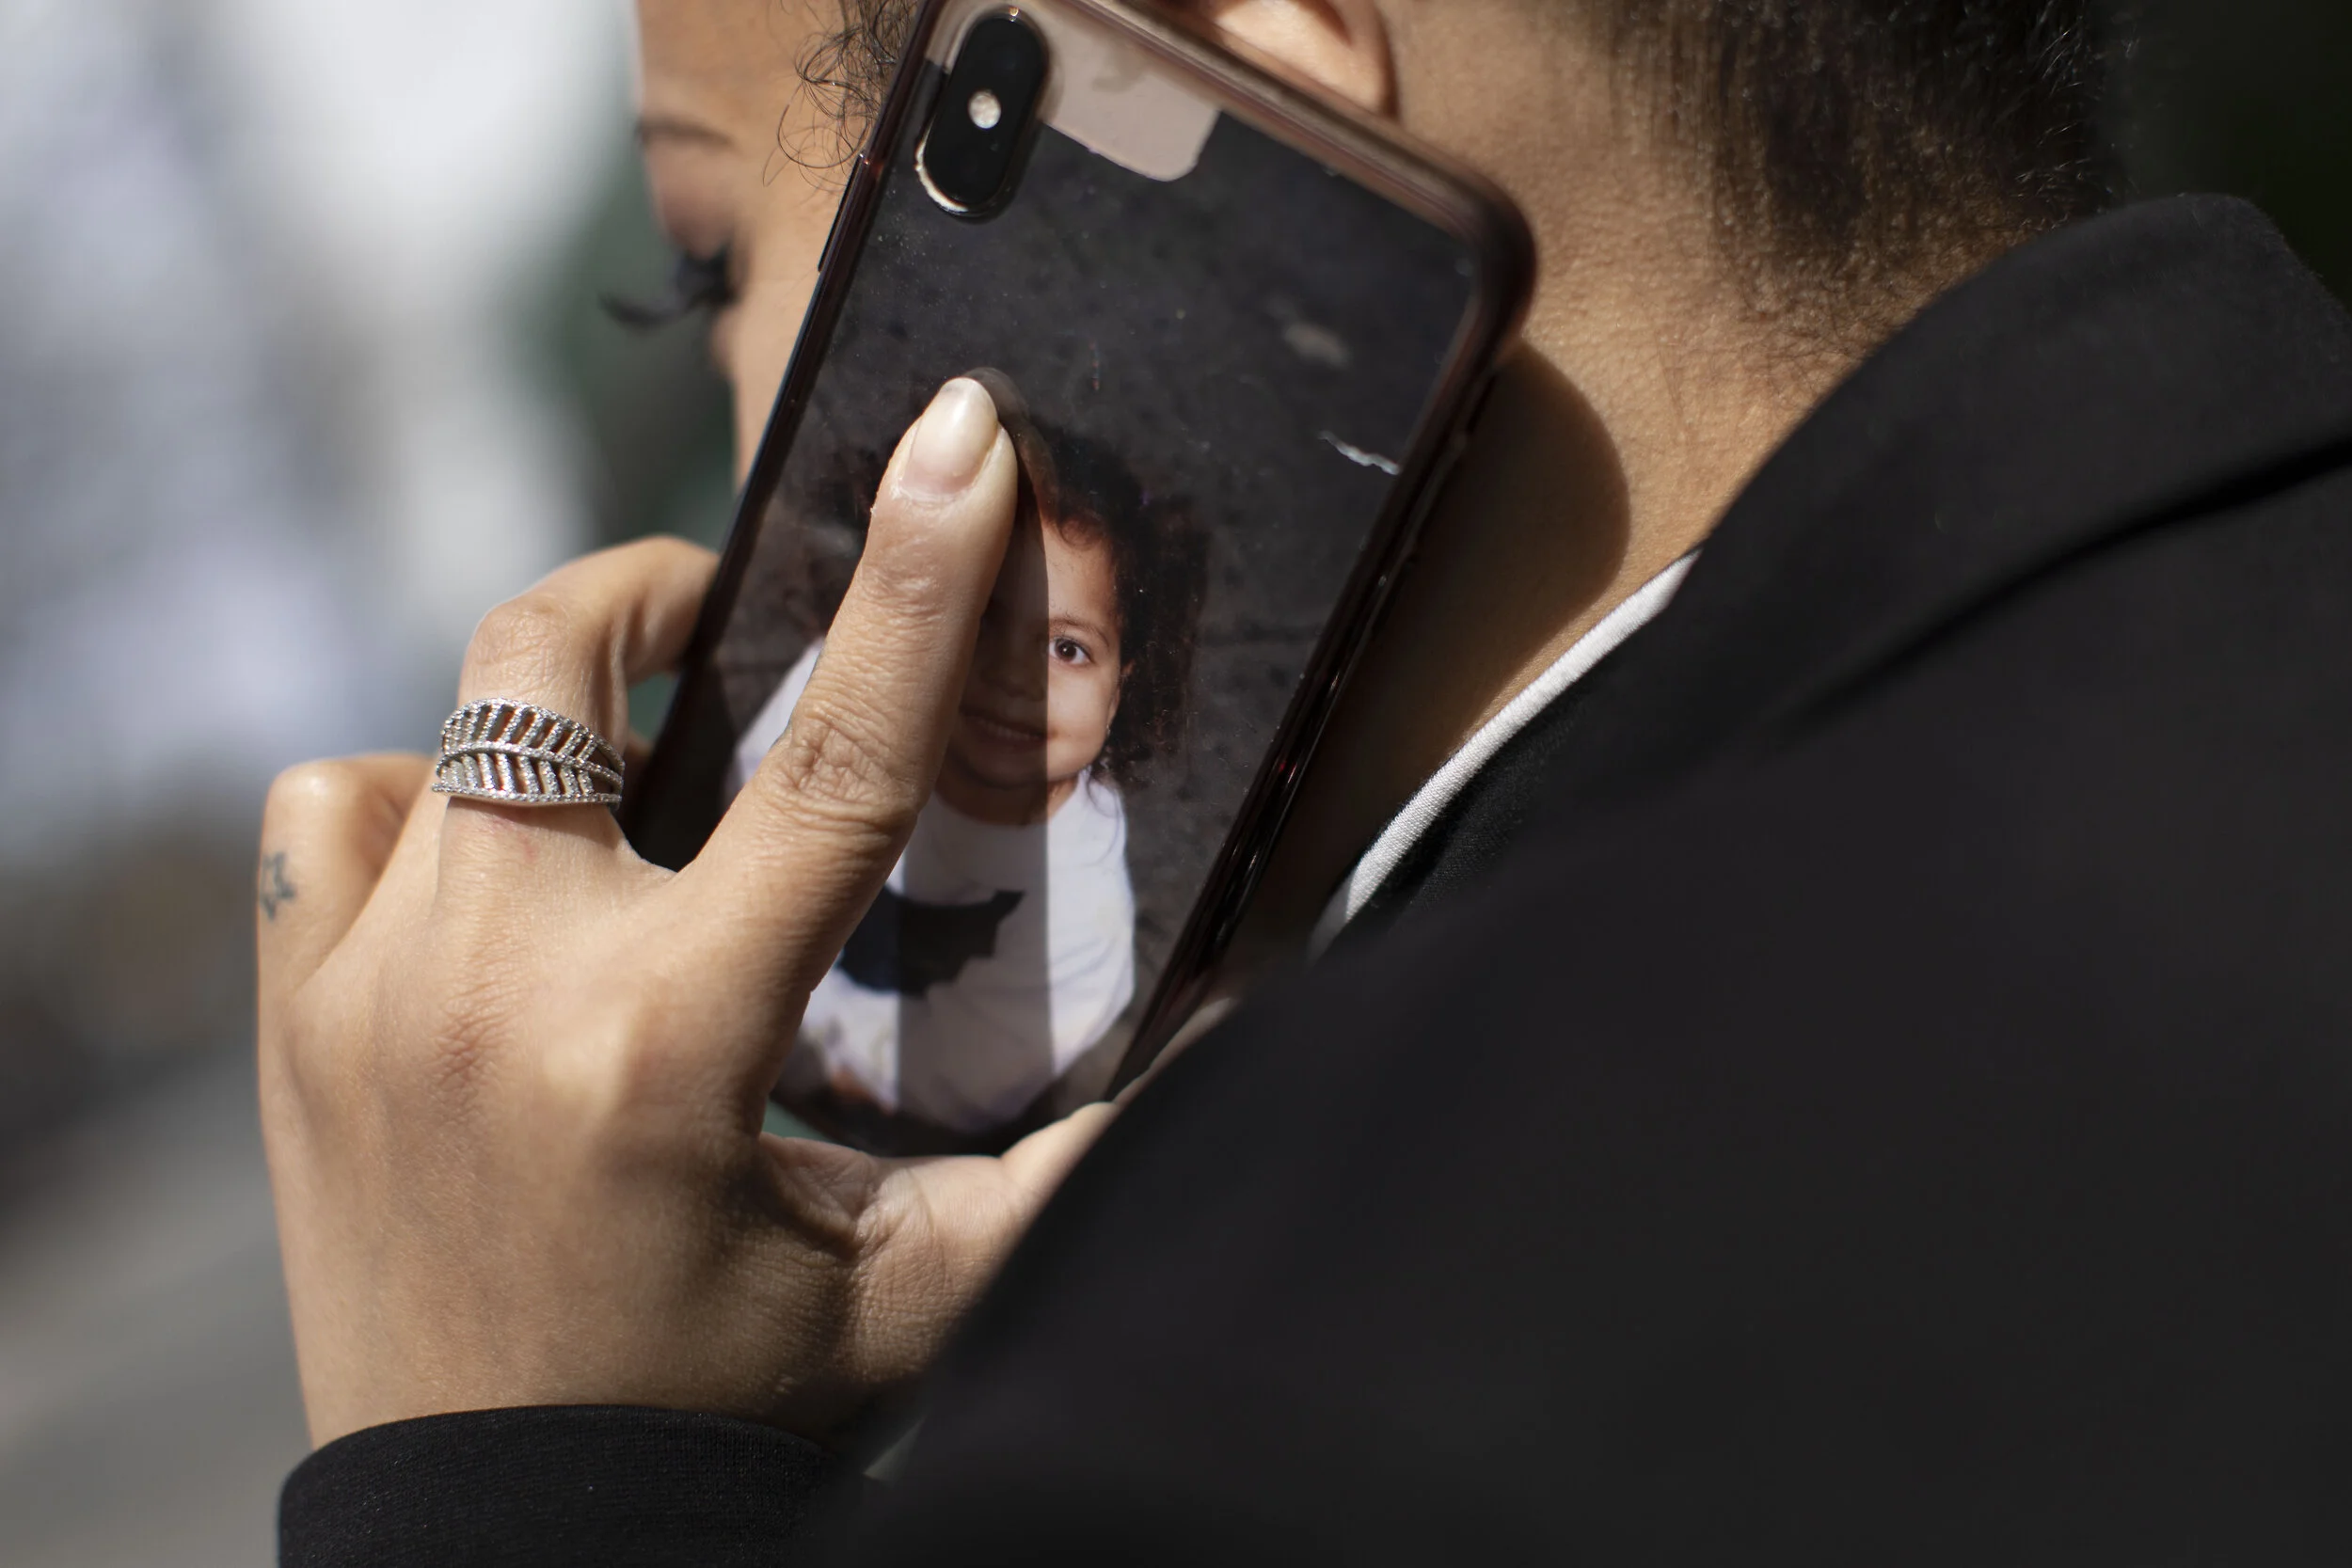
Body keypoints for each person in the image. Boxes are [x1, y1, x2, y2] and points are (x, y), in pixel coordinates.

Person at [262, 0, 2352, 1561]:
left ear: (1231, 51)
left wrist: (510, 1459)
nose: (737, 473)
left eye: (709, 262)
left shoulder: (1270, 1406)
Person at [730, 392, 1204, 1141]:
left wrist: (808, 1047)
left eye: (1067, 649)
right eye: (981, 617)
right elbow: (740, 829)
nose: (1016, 677)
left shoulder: (1081, 916)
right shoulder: (836, 693)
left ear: (1124, 687)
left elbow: (959, 1081)